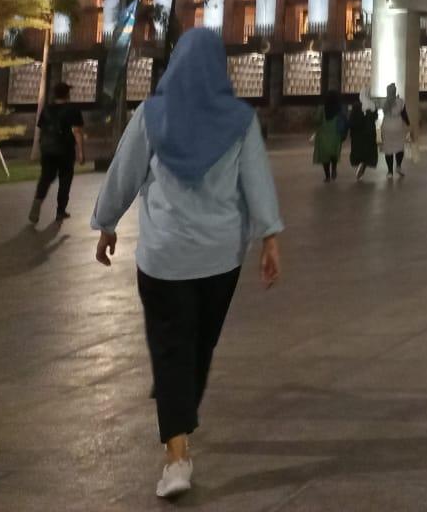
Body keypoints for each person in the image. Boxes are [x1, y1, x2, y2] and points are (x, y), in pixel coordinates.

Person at [90, 27, 283, 501]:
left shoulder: (151, 115)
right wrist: (270, 237)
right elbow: (256, 181)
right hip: (220, 259)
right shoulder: (239, 120)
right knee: (197, 346)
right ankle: (177, 438)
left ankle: (177, 452)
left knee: (175, 349)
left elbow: (124, 173)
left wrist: (107, 222)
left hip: (164, 258)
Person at [30, 80, 84, 224]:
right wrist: (81, 152)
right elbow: (77, 131)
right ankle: (60, 211)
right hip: (65, 149)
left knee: (45, 177)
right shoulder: (73, 110)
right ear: (67, 94)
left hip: (47, 149)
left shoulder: (47, 109)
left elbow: (41, 129)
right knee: (65, 180)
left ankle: (37, 201)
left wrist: (42, 146)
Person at [379, 82, 410, 178]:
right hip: (398, 127)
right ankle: (398, 166)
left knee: (388, 149)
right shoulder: (400, 102)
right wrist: (409, 124)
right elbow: (404, 115)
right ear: (395, 91)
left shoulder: (384, 102)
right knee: (399, 147)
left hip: (386, 127)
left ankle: (389, 172)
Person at [348, 91, 379, 180]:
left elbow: (352, 119)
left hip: (358, 133)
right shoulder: (372, 104)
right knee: (368, 151)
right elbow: (375, 117)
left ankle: (361, 164)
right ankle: (363, 166)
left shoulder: (356, 105)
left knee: (359, 150)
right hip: (370, 132)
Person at [312, 100, 344, 182]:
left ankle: (327, 177)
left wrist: (314, 114)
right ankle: (334, 169)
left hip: (323, 135)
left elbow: (317, 120)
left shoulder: (322, 108)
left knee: (324, 156)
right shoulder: (338, 107)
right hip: (335, 135)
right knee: (334, 153)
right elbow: (343, 119)